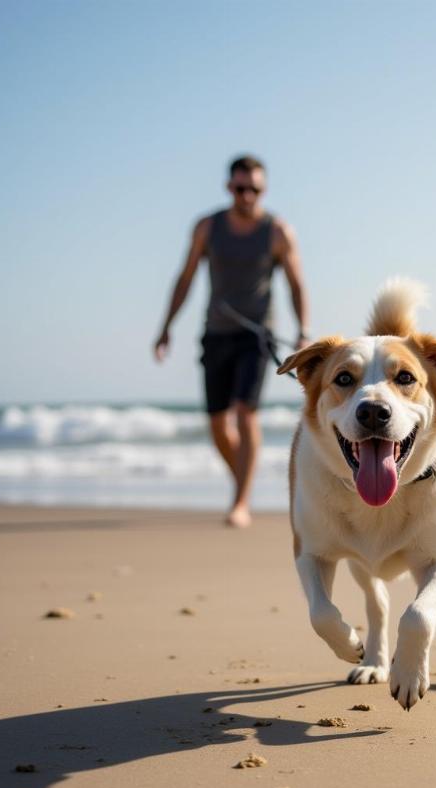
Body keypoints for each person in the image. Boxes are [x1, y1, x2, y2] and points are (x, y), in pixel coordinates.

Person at [154, 155, 309, 528]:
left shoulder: (277, 232)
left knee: (244, 412)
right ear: (229, 188)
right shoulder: (208, 228)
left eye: (254, 189)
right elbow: (186, 277)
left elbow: (295, 284)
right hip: (216, 332)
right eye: (241, 189)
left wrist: (303, 333)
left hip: (257, 335)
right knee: (217, 424)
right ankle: (244, 478)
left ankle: (240, 502)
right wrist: (166, 327)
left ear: (263, 190)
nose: (247, 196)